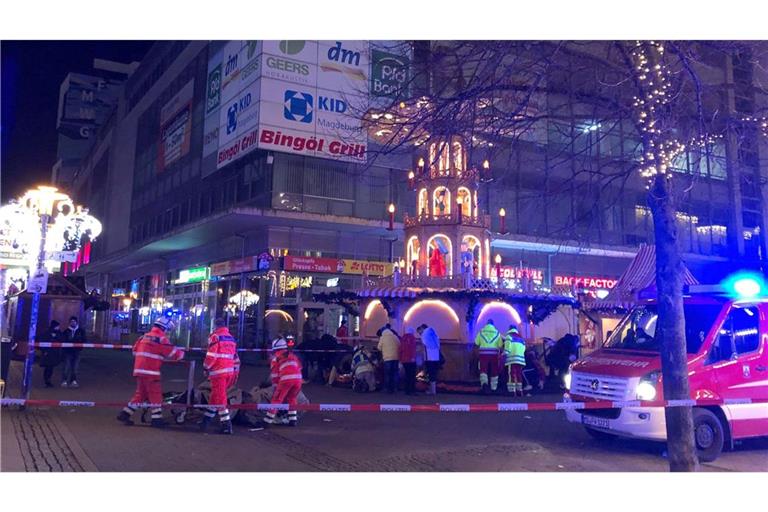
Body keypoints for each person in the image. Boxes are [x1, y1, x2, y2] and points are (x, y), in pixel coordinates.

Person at [116, 317, 185, 428]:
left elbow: (134, 351)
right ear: (164, 328)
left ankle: (124, 414)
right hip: (151, 372)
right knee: (155, 395)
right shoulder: (161, 339)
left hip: (139, 370)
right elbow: (173, 354)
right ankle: (156, 420)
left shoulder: (144, 336)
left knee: (140, 394)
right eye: (167, 329)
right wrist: (182, 354)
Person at [199, 318, 239, 435]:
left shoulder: (215, 337)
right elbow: (234, 356)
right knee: (215, 396)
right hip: (229, 372)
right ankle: (206, 420)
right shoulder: (230, 338)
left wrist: (206, 367)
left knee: (220, 398)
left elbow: (211, 355)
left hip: (218, 372)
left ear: (215, 326)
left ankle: (226, 425)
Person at [264, 337, 303, 426]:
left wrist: (275, 386)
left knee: (277, 399)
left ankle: (267, 421)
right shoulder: (293, 356)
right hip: (298, 380)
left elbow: (275, 375)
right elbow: (300, 368)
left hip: (286, 380)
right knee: (292, 398)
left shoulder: (276, 358)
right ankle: (293, 420)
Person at [474, 319, 502, 394]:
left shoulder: (481, 332)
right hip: (494, 354)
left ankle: (484, 385)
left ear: (486, 324)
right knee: (494, 370)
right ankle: (494, 387)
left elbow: (476, 342)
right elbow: (500, 345)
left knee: (483, 369)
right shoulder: (497, 332)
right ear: (493, 324)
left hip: (483, 354)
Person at [61, 316, 86, 388]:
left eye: (74, 321)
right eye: (71, 322)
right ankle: (64, 380)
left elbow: (84, 339)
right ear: (69, 323)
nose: (73, 323)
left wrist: (78, 341)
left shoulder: (81, 331)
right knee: (66, 366)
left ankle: (73, 380)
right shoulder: (66, 331)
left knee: (75, 367)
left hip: (77, 351)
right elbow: (64, 340)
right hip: (68, 352)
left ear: (76, 322)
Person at [417, 323, 441, 395]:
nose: (419, 334)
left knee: (430, 374)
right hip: (436, 357)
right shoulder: (433, 332)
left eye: (419, 332)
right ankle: (433, 390)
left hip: (429, 357)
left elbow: (424, 345)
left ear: (422, 328)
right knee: (433, 373)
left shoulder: (425, 334)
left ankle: (432, 391)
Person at [503, 325, 526, 397]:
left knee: (511, 375)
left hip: (511, 359)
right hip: (520, 360)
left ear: (509, 329)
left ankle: (512, 391)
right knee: (519, 375)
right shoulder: (521, 338)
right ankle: (519, 391)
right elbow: (524, 349)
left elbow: (507, 349)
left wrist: (503, 355)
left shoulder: (508, 337)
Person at [377, 324, 400, 393]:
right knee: (395, 373)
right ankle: (395, 388)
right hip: (396, 358)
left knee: (387, 374)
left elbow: (379, 348)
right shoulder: (395, 336)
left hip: (387, 358)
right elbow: (399, 345)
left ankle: (387, 389)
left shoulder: (383, 338)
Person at [39, 320, 62, 388]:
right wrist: (45, 351)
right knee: (48, 368)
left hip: (54, 353)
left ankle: (48, 380)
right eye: (57, 326)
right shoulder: (47, 333)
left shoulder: (58, 333)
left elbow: (61, 339)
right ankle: (47, 381)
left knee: (50, 368)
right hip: (48, 353)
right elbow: (43, 341)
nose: (58, 327)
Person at [399, 327, 419, 395]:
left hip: (404, 360)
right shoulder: (412, 338)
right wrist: (413, 357)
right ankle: (412, 390)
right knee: (412, 375)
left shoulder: (403, 338)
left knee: (407, 375)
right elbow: (412, 348)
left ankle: (407, 390)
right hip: (411, 360)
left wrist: (401, 359)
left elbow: (401, 349)